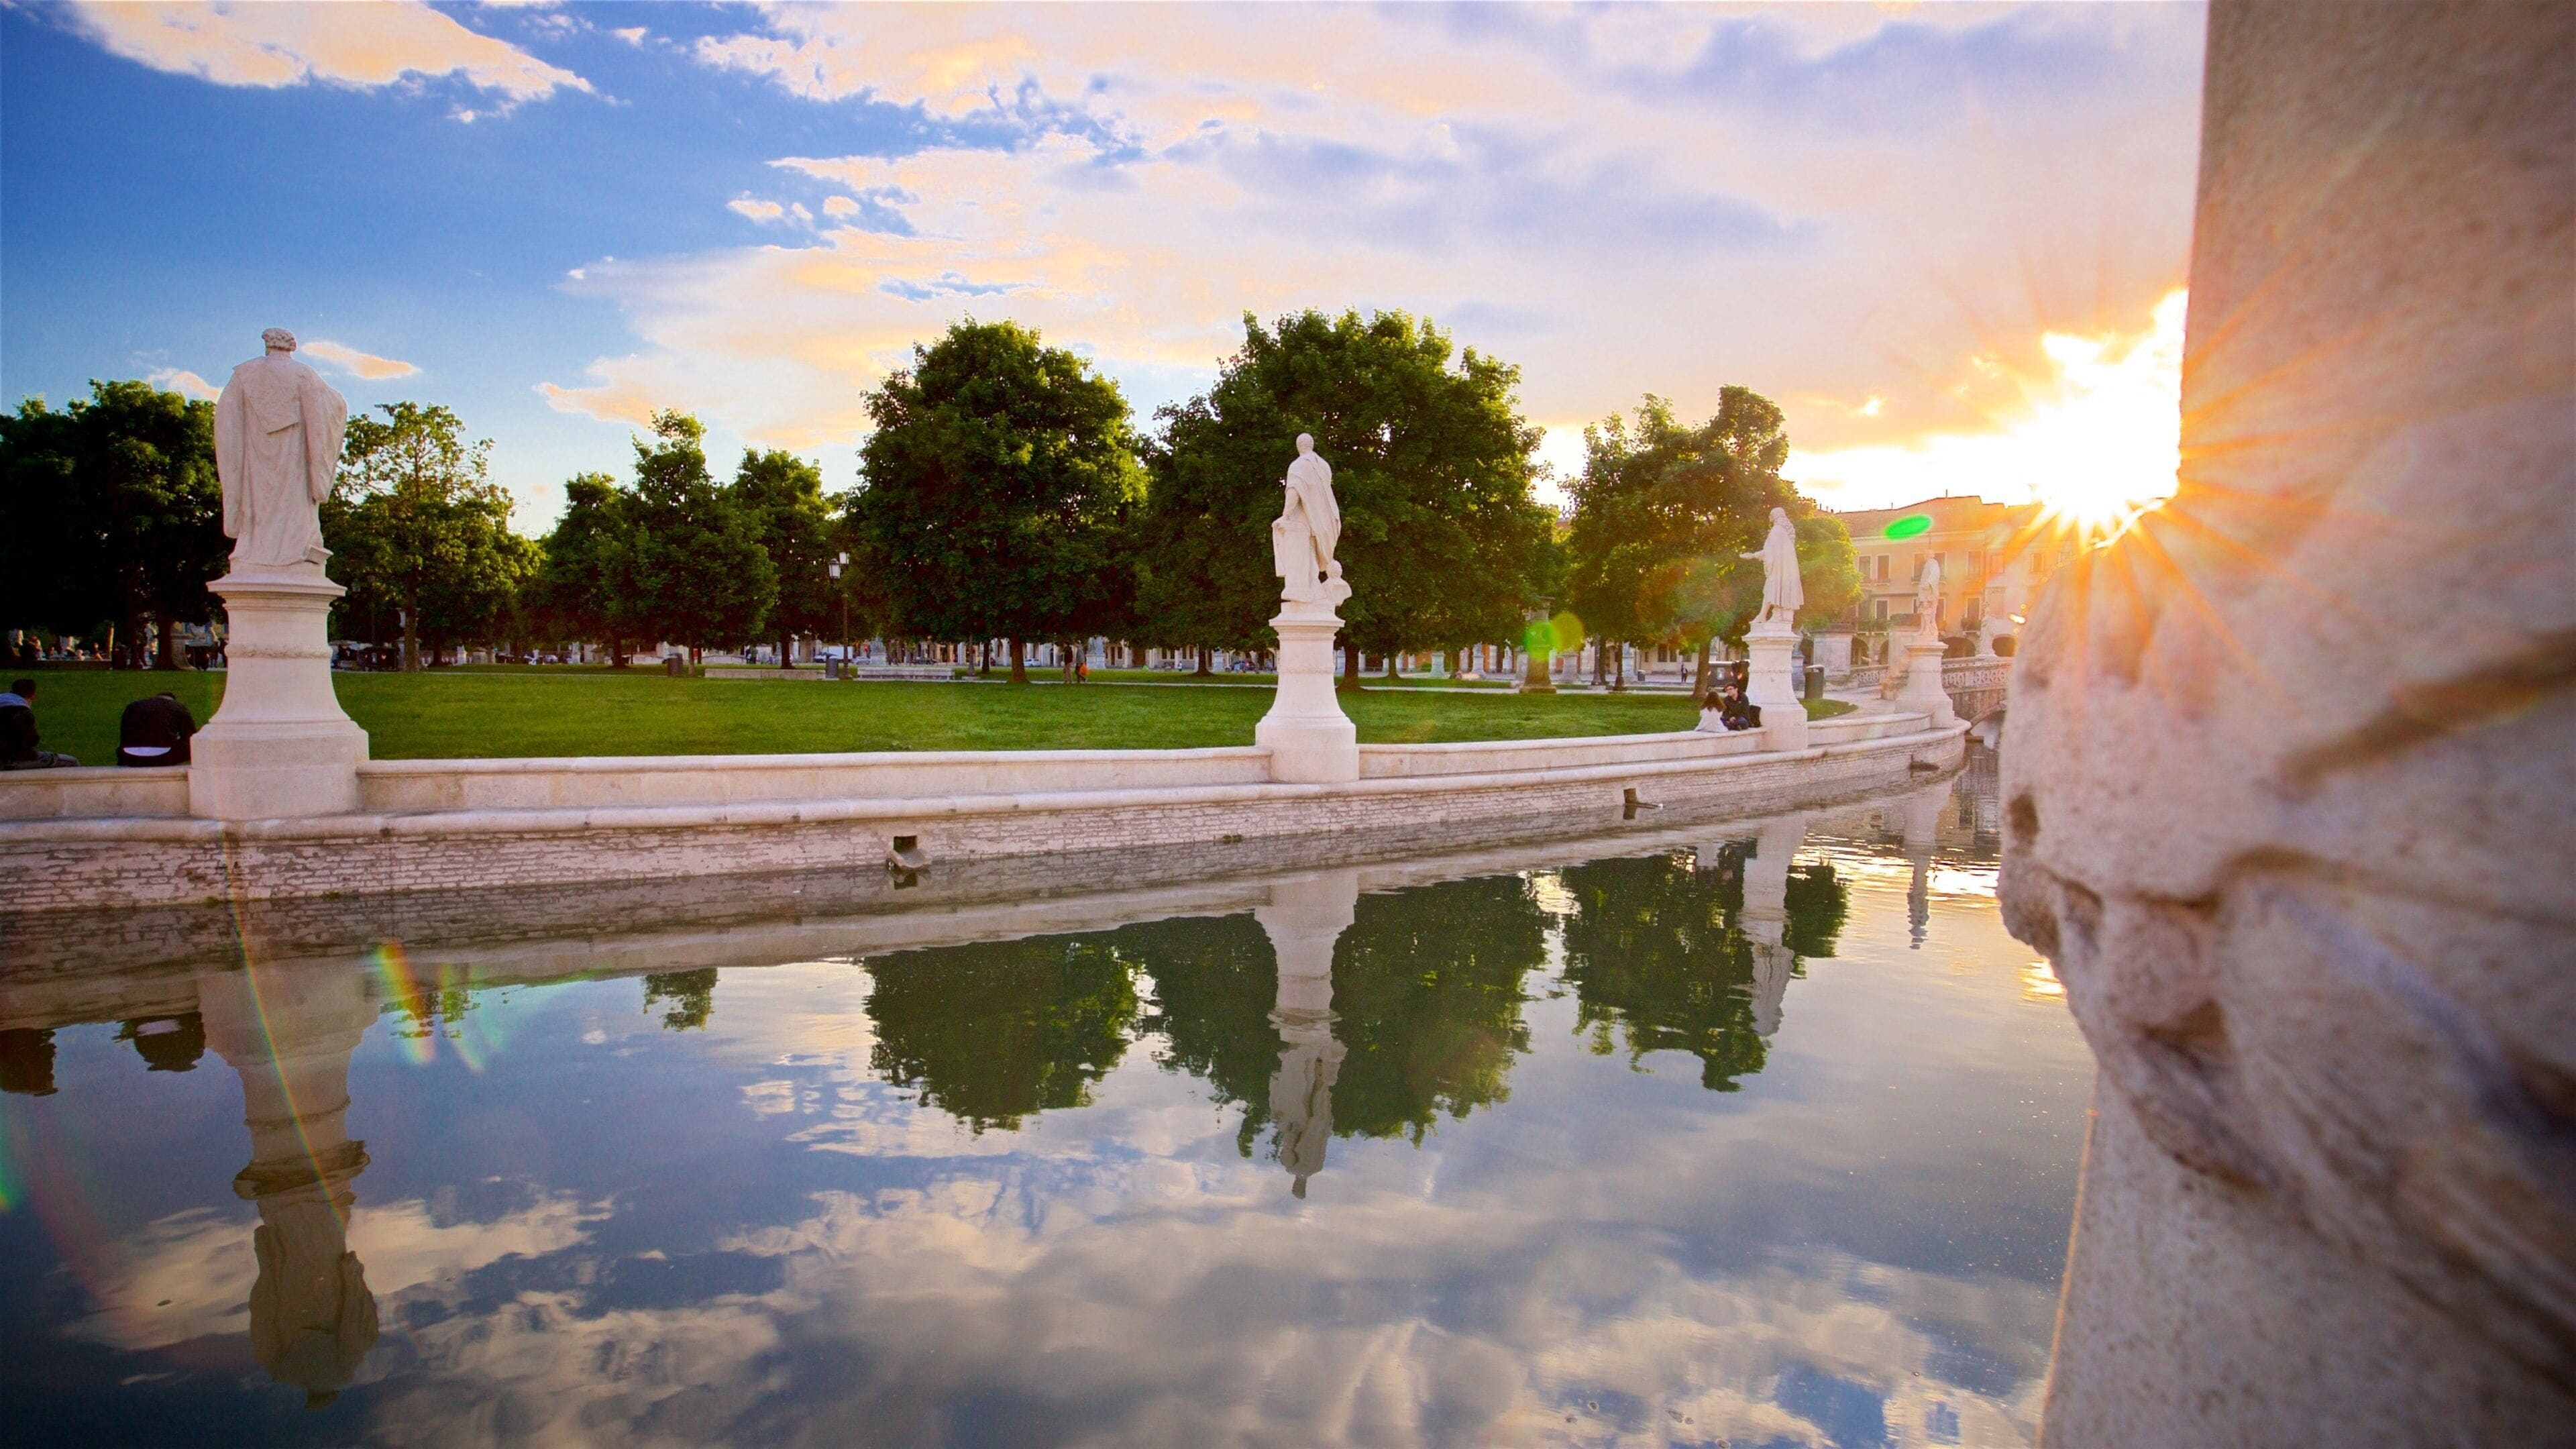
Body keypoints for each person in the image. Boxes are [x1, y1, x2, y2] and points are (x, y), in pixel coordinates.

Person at [0, 677, 77, 769]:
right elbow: (30, 740)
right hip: (17, 759)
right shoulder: (22, 712)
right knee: (71, 762)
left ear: (10, 691)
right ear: (33, 696)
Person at [118, 691, 197, 767]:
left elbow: (124, 736)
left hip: (131, 757)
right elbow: (190, 737)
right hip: (164, 757)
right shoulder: (178, 707)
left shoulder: (133, 706)